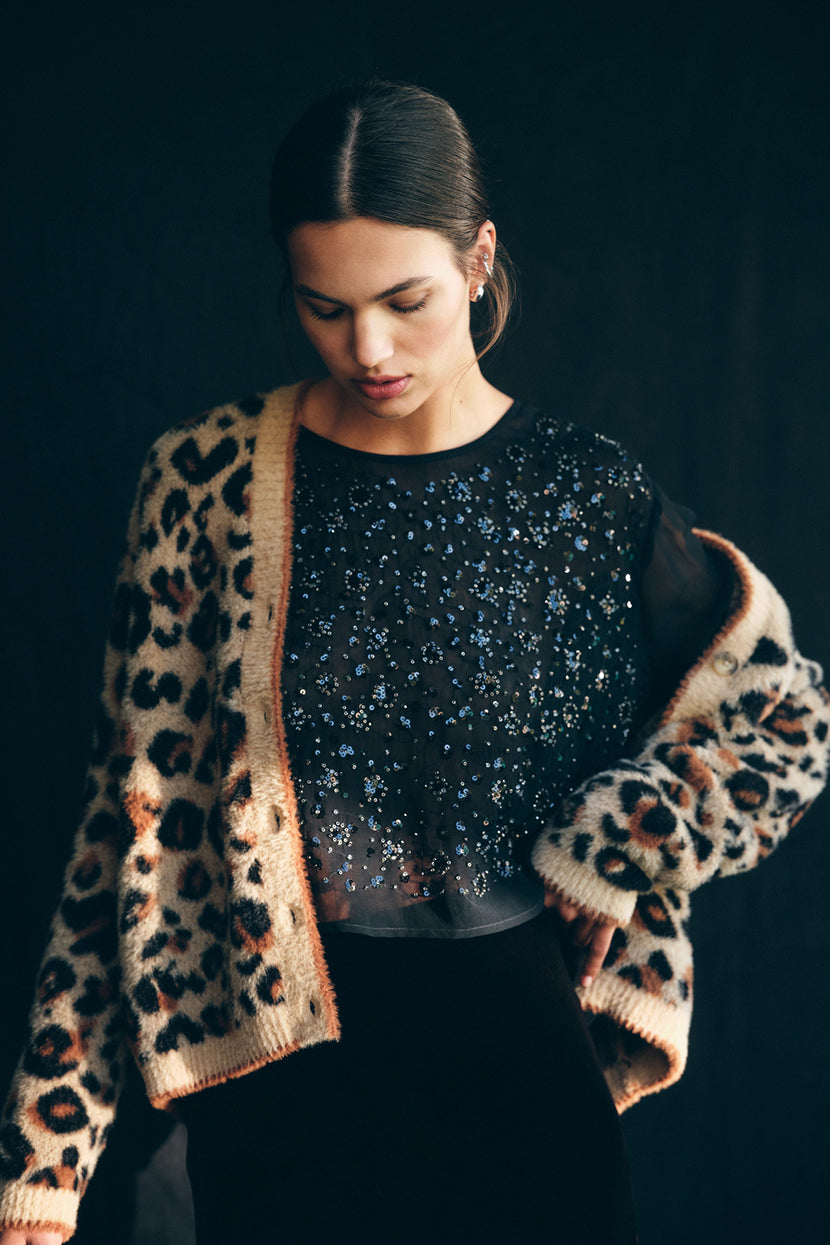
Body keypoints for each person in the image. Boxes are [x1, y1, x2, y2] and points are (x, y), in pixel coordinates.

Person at [0, 80, 827, 1245]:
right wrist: (49, 1147)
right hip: (279, 1094)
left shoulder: (581, 493)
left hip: (522, 1081)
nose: (368, 347)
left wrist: (614, 845)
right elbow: (126, 823)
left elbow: (784, 722)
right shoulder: (204, 482)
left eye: (405, 299)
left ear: (478, 259)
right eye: (322, 306)